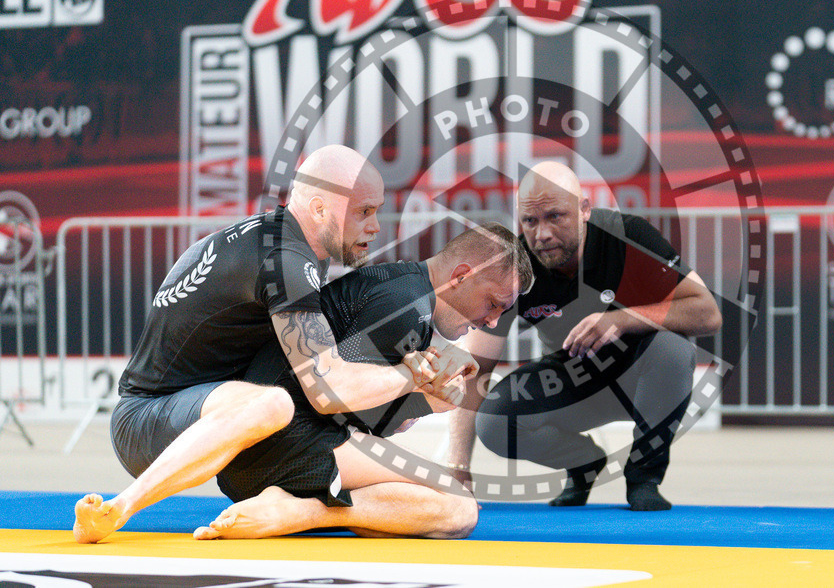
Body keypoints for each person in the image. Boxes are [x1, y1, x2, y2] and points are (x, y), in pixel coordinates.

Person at [73, 146, 464, 543]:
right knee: (273, 403)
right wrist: (413, 374)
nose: (376, 226)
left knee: (454, 509)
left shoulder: (290, 245)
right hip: (148, 420)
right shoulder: (286, 260)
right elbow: (330, 391)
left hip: (216, 416)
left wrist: (418, 395)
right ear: (318, 208)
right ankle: (119, 508)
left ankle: (299, 511)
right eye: (364, 211)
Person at [189, 222, 534, 540]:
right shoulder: (405, 304)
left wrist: (428, 399)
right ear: (460, 276)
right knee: (458, 509)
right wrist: (423, 395)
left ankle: (297, 507)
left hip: (266, 447)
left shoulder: (408, 295)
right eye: (493, 304)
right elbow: (340, 400)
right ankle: (301, 512)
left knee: (427, 510)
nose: (492, 322)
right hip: (280, 443)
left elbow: (365, 415)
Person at [448, 161, 722, 511]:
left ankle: (643, 477)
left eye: (555, 217)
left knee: (673, 349)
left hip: (639, 378)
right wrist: (458, 467)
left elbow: (708, 313)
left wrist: (622, 320)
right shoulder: (514, 266)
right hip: (572, 380)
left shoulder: (628, 236)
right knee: (494, 421)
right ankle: (583, 462)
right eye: (530, 221)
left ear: (584, 210)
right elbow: (476, 370)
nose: (542, 234)